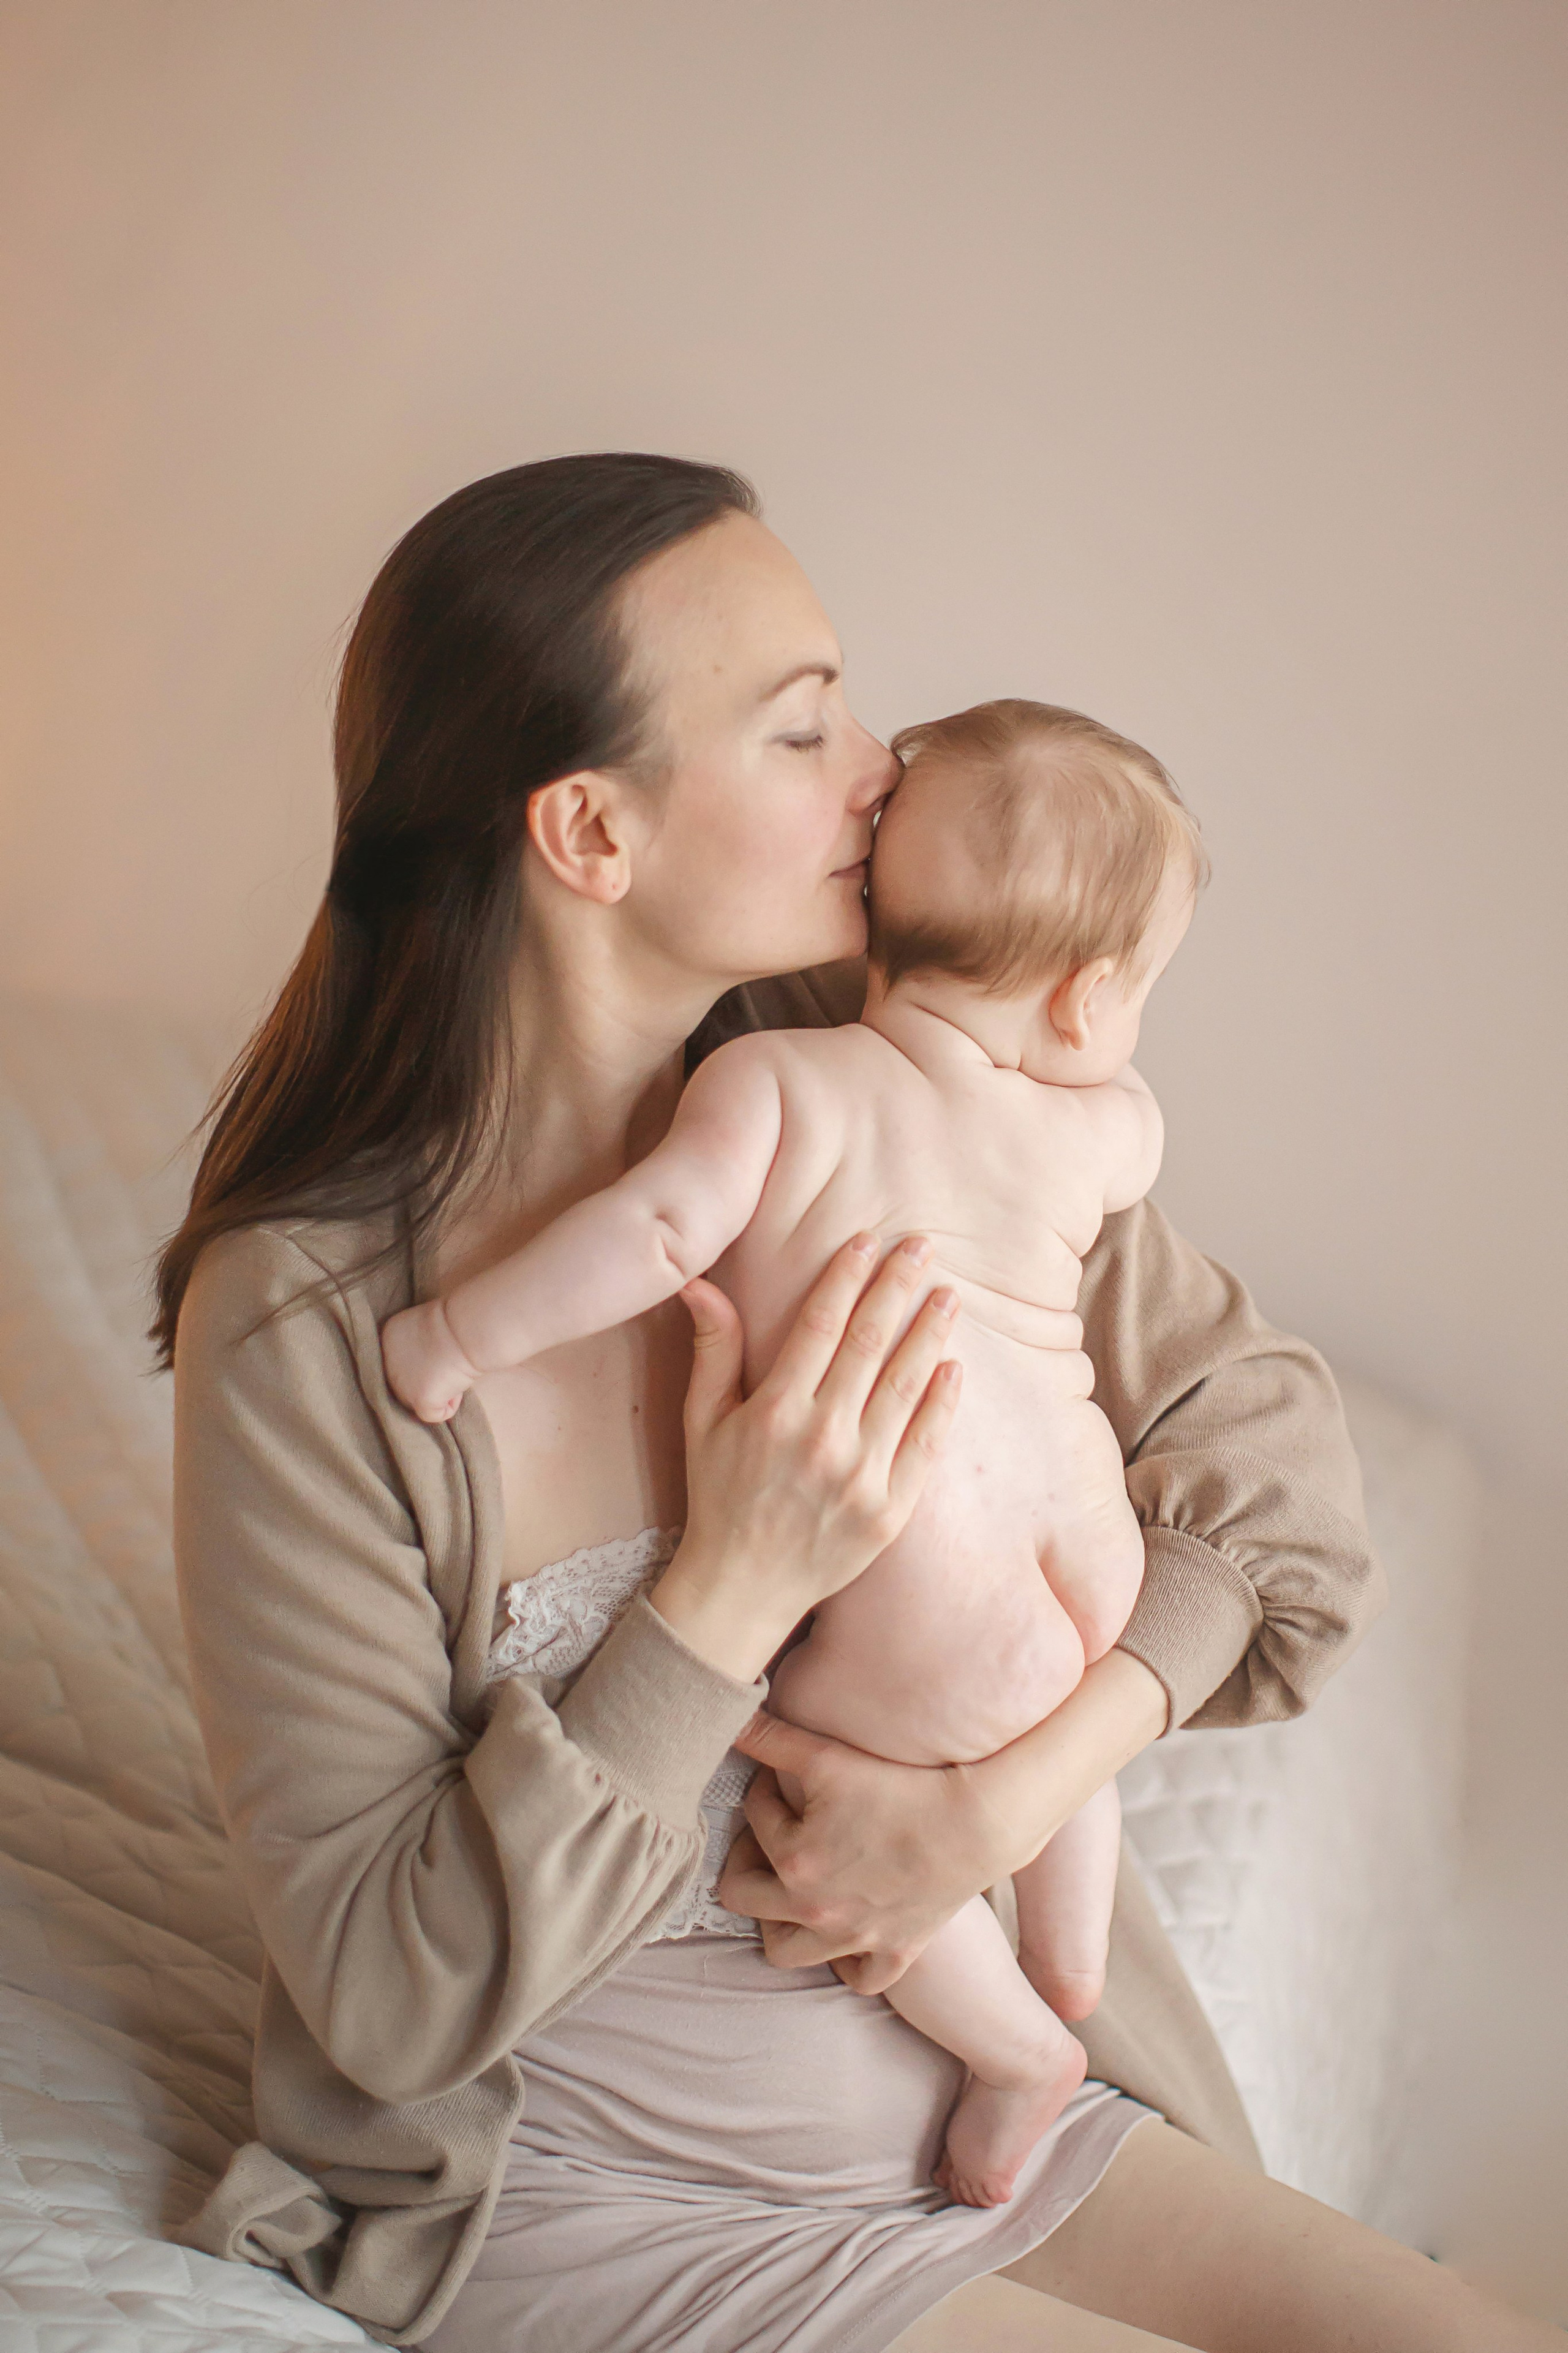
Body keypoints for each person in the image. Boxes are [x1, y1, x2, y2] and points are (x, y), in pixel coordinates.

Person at [156, 453, 1553, 2351]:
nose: (882, 767)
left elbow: (1280, 1490)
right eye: (804, 727)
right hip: (606, 2192)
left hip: (1008, 2106)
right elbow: (393, 1988)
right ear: (589, 832)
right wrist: (726, 1593)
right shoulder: (312, 1325)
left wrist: (1003, 1802)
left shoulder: (875, 1087)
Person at [377, 695, 1203, 2210]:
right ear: (1088, 1004)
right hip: (1092, 1546)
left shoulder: (779, 1084)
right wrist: (1086, 1043)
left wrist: (458, 1337)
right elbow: (1116, 1136)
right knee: (1054, 1719)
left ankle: (1019, 2044)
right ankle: (1069, 1950)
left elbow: (655, 1230)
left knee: (827, 1769)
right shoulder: (1099, 1126)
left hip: (924, 1582)